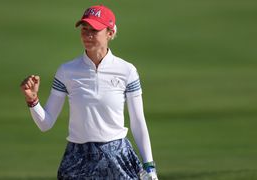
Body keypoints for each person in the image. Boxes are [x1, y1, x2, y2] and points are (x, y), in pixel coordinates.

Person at [20, 5, 158, 180]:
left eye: (94, 30)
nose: (87, 35)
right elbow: (45, 124)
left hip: (118, 157)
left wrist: (149, 166)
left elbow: (138, 122)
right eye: (84, 30)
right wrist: (33, 101)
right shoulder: (66, 71)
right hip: (78, 158)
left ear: (110, 33)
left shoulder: (127, 71)